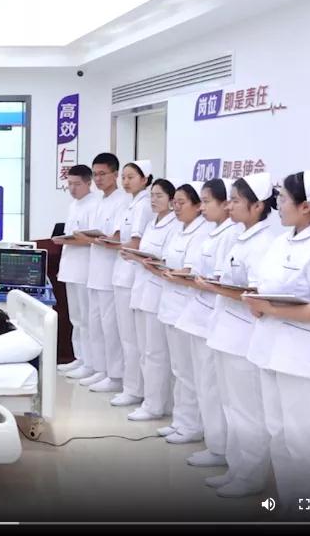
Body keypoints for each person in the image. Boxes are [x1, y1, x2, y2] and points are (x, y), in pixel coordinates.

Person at [244, 171, 310, 516]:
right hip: (272, 350)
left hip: (306, 360)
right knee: (279, 435)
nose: (277, 205)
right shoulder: (282, 242)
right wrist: (256, 302)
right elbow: (267, 288)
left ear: (306, 206)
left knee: (304, 442)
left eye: (283, 199)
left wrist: (271, 308)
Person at [197, 172, 279, 498]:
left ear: (258, 206)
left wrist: (214, 287)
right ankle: (236, 468)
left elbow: (256, 293)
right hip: (226, 330)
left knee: (247, 410)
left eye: (235, 201)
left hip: (245, 336)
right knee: (231, 405)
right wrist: (216, 286)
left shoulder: (264, 243)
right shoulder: (241, 236)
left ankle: (252, 475)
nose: (229, 206)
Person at [174, 178, 242, 468]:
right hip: (201, 313)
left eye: (206, 201)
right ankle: (213, 442)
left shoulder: (230, 234)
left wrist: (200, 281)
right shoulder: (216, 232)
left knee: (212, 386)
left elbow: (222, 280)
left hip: (214, 316)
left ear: (225, 204)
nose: (202, 208)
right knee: (202, 382)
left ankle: (219, 447)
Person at [154, 182, 213, 444]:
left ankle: (192, 425)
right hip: (170, 303)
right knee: (179, 369)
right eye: (174, 203)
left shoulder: (202, 232)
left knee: (189, 372)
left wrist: (170, 272)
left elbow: (190, 271)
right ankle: (180, 420)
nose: (176, 207)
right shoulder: (179, 229)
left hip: (186, 307)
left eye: (181, 203)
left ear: (198, 206)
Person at [67, 154, 129, 386]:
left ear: (115, 174)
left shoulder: (122, 201)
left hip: (110, 272)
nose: (99, 179)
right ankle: (98, 367)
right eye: (96, 174)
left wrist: (90, 238)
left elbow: (116, 237)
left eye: (103, 174)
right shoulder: (101, 200)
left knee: (110, 327)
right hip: (95, 270)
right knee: (95, 324)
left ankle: (115, 374)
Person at [120, 178, 179, 422]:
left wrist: (141, 259)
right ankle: (150, 399)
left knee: (155, 353)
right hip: (142, 290)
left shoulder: (174, 226)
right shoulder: (151, 223)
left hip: (157, 294)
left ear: (171, 200)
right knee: (145, 350)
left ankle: (156, 405)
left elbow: (167, 262)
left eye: (159, 196)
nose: (154, 200)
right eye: (152, 195)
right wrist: (135, 256)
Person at [97, 159, 154, 396]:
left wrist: (114, 244)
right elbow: (123, 238)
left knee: (132, 339)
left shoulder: (143, 205)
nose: (126, 181)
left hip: (131, 275)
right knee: (125, 336)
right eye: (124, 177)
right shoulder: (131, 204)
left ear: (145, 179)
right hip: (122, 273)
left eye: (131, 177)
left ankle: (133, 389)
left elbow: (136, 242)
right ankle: (129, 385)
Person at [53, 165, 99, 373]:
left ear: (88, 183)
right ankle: (79, 357)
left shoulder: (95, 205)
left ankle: (91, 362)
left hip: (85, 269)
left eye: (77, 184)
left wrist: (69, 240)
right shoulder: (74, 205)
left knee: (87, 319)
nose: (72, 188)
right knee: (76, 318)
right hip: (70, 266)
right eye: (69, 184)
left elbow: (93, 238)